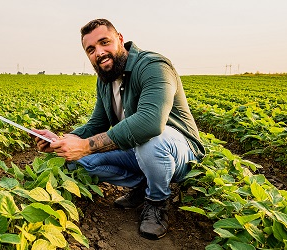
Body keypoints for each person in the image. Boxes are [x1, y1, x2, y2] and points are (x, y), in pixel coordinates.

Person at [31, 18, 205, 240]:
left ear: (120, 39)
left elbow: (150, 123)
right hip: (139, 150)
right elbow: (97, 124)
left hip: (179, 151)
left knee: (150, 141)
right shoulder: (105, 79)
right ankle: (146, 184)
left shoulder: (154, 66)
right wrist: (62, 140)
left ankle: (157, 201)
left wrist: (85, 146)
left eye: (105, 42)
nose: (99, 52)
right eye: (91, 49)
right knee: (74, 161)